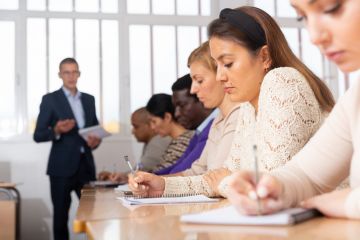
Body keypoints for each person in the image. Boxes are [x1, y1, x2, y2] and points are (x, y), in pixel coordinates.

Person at [128, 6, 335, 198]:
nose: (220, 76)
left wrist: (223, 183)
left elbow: (267, 189)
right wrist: (163, 186)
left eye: (227, 63)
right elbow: (223, 174)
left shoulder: (282, 80)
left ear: (264, 56)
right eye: (217, 66)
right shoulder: (248, 106)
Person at [226, 0, 360, 220]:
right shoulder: (356, 98)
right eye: (303, 17)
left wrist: (349, 203)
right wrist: (274, 187)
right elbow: (308, 175)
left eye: (331, 8)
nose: (314, 36)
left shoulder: (281, 81)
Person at [33, 58, 101, 240]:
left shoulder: (89, 99)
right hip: (61, 169)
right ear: (60, 75)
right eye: (66, 72)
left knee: (92, 216)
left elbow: (94, 129)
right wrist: (56, 130)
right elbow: (38, 135)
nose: (71, 76)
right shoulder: (50, 100)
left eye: (74, 72)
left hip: (86, 167)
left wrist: (96, 141)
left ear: (79, 74)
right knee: (61, 217)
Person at [156, 41, 242, 177]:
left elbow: (215, 177)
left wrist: (161, 183)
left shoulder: (239, 117)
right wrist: (155, 182)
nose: (193, 89)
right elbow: (197, 171)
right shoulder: (218, 120)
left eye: (200, 80)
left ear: (222, 75)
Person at [154, 73, 217, 175]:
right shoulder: (199, 132)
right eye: (175, 108)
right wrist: (150, 177)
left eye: (182, 105)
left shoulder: (213, 127)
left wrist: (155, 180)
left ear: (201, 99)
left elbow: (185, 168)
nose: (177, 113)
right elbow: (180, 164)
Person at [98, 107, 171, 180]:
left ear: (150, 125)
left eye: (136, 126)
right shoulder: (151, 141)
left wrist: (121, 176)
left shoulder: (158, 141)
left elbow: (143, 170)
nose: (132, 131)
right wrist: (119, 175)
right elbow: (140, 170)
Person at [146, 93, 194, 172]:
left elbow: (162, 172)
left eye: (154, 121)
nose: (152, 127)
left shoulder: (183, 141)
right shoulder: (180, 139)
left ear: (167, 117)